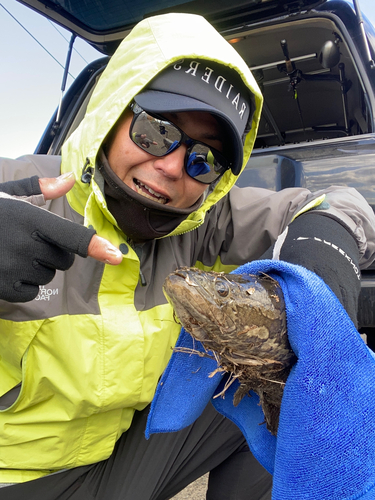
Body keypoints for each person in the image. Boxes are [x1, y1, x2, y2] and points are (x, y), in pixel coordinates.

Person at [0, 12, 374, 500]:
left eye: (204, 160)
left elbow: (339, 203)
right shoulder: (21, 192)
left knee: (277, 399)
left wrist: (323, 271)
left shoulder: (200, 217)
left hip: (116, 462)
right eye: (154, 131)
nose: (173, 166)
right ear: (113, 116)